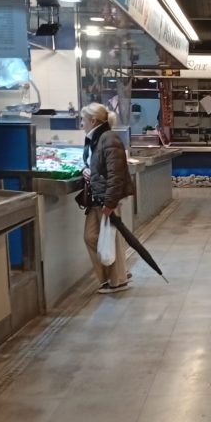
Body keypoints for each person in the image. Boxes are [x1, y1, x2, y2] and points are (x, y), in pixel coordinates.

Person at [81, 103, 134, 292]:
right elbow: (94, 164)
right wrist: (86, 170)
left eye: (83, 120)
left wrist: (110, 202)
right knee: (92, 236)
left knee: (110, 237)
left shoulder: (108, 139)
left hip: (106, 198)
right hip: (98, 197)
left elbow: (116, 174)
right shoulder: (95, 139)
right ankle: (111, 276)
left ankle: (118, 279)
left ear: (93, 120)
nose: (82, 124)